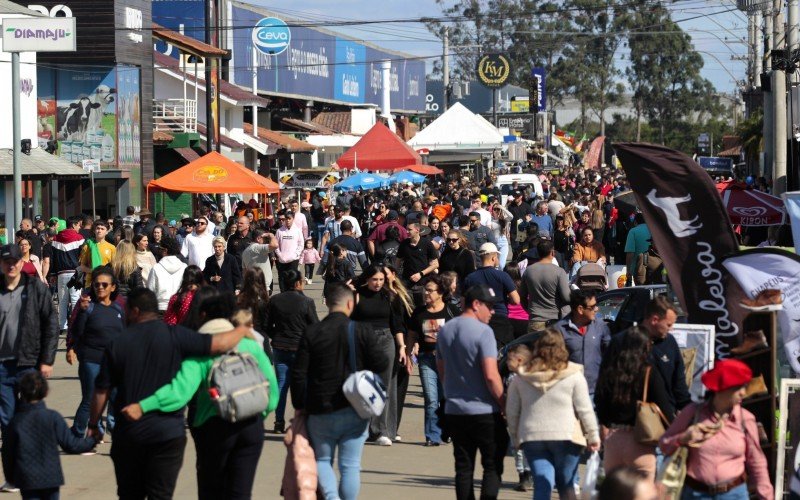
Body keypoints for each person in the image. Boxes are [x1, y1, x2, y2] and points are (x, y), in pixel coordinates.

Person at [87, 288, 251, 499]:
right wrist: (242, 330)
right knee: (161, 495)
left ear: (135, 311)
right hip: (167, 435)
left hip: (129, 434)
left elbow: (102, 390)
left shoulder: (118, 343)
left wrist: (93, 425)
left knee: (129, 495)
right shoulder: (175, 335)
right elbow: (218, 344)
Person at [120, 293, 279, 500]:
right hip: (251, 426)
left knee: (210, 491)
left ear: (203, 315)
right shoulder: (250, 346)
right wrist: (255, 413)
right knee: (240, 493)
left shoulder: (201, 351)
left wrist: (143, 406)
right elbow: (272, 391)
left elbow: (179, 392)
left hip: (214, 427)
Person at [290, 283, 390, 500]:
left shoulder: (312, 332)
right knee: (351, 465)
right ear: (350, 303)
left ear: (326, 302)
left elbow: (298, 374)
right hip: (355, 407)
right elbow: (382, 363)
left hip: (320, 407)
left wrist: (300, 405)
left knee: (323, 461)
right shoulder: (361, 330)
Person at [505, 328, 600, 500]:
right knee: (566, 484)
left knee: (542, 483)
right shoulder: (574, 375)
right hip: (566, 435)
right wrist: (593, 436)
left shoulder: (521, 378)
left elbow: (512, 412)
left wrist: (515, 438)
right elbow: (585, 409)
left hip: (533, 436)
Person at [659, 359, 773, 499]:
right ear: (721, 389)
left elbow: (757, 462)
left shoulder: (746, 419)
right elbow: (664, 445)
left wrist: (766, 496)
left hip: (735, 495)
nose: (744, 393)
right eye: (738, 388)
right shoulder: (692, 413)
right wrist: (683, 438)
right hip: (695, 495)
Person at [436, 284, 508, 500]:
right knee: (492, 465)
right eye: (489, 306)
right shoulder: (484, 332)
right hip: (484, 411)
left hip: (455, 410)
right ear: (476, 305)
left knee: (463, 467)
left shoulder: (445, 329)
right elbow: (491, 375)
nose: (492, 311)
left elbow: (442, 371)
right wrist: (504, 404)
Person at [0, 244, 58, 492]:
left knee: (30, 421)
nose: (11, 265)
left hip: (29, 363)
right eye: (6, 261)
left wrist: (46, 360)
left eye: (14, 261)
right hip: (2, 368)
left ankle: (32, 471)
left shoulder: (35, 289)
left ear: (22, 263)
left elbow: (51, 323)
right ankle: (13, 476)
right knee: (7, 421)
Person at [1, 372, 97, 500]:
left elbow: (7, 453)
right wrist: (92, 441)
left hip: (27, 478)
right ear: (46, 392)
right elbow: (71, 444)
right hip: (51, 477)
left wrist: (10, 478)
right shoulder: (53, 417)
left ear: (21, 393)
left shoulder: (15, 422)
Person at [594, 327, 674, 481]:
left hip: (613, 439)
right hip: (641, 440)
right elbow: (665, 409)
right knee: (642, 492)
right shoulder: (649, 373)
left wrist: (603, 423)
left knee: (615, 491)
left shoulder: (610, 372)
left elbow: (599, 400)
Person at [67, 266, 124, 440]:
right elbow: (77, 331)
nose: (100, 287)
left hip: (113, 361)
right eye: (97, 284)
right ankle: (77, 435)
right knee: (90, 398)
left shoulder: (119, 309)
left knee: (116, 397)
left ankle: (116, 432)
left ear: (113, 287)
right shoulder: (88, 306)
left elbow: (126, 334)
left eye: (104, 285)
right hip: (91, 360)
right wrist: (71, 348)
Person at [351, 265, 406, 446]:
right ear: (367, 279)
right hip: (362, 341)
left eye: (381, 280)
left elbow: (396, 324)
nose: (378, 283)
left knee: (385, 387)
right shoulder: (356, 295)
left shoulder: (390, 295)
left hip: (385, 340)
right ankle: (363, 428)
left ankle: (381, 430)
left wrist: (402, 347)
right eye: (375, 279)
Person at [407, 275, 459, 447]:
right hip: (426, 359)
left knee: (446, 398)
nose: (426, 293)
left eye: (430, 290)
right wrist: (408, 354)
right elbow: (412, 334)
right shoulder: (419, 312)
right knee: (431, 399)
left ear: (441, 293)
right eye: (425, 290)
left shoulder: (451, 311)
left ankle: (447, 430)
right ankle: (432, 436)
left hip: (449, 362)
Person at [266, 270, 319, 434]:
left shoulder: (274, 300)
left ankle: (278, 422)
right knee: (303, 385)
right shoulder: (307, 301)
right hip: (300, 349)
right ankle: (301, 421)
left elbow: (267, 325)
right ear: (298, 283)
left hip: (280, 347)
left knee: (282, 384)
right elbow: (315, 326)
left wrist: (276, 337)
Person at [553, 289, 611, 396]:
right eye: (592, 307)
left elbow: (609, 353)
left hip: (596, 391)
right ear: (580, 309)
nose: (596, 309)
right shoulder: (559, 330)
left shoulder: (600, 326)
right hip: (570, 393)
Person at [463, 243, 520, 348]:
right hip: (500, 320)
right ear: (494, 258)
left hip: (478, 320)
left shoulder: (470, 278)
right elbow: (516, 300)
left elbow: (464, 302)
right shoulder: (502, 276)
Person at [642, 297, 691, 412]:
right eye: (669, 325)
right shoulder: (627, 341)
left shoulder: (670, 342)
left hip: (665, 417)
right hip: (635, 419)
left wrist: (689, 411)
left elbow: (679, 384)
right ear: (654, 320)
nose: (672, 329)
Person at [519, 240, 571, 332]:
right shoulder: (559, 272)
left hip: (535, 320)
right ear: (552, 253)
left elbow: (522, 296)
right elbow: (567, 298)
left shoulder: (529, 271)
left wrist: (530, 311)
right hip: (554, 321)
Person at [51, 216, 85, 333]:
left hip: (61, 273)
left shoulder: (55, 238)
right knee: (75, 299)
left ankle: (62, 326)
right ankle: (75, 325)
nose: (79, 228)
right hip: (75, 272)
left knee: (62, 301)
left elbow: (53, 258)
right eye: (79, 225)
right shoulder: (79, 238)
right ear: (74, 225)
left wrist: (53, 274)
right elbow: (83, 256)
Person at [146, 237, 188, 315]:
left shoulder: (156, 268)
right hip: (178, 307)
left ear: (165, 250)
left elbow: (150, 291)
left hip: (161, 308)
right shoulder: (184, 267)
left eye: (160, 248)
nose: (159, 250)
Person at [77, 220, 116, 289]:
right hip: (91, 283)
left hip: (106, 283)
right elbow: (82, 266)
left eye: (102, 229)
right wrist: (95, 271)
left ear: (107, 232)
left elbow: (114, 268)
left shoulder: (112, 248)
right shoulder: (88, 245)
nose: (99, 231)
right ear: (94, 231)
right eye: (98, 228)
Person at [241, 228, 278, 293]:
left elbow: (244, 272)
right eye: (264, 239)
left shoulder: (245, 251)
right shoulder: (257, 248)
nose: (266, 241)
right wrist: (271, 235)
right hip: (262, 288)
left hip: (252, 287)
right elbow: (275, 245)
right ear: (258, 239)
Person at [275, 211, 304, 293]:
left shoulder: (297, 230)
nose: (287, 221)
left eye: (289, 219)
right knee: (282, 277)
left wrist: (296, 254)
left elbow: (301, 244)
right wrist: (280, 255)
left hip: (293, 259)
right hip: (282, 259)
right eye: (286, 219)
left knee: (293, 277)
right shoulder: (279, 231)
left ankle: (293, 293)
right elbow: (276, 245)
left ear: (293, 219)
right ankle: (283, 293)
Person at [624, 213, 651, 286]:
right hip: (654, 266)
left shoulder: (633, 231)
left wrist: (628, 270)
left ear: (635, 222)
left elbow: (630, 253)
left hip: (638, 268)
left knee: (641, 292)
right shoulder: (653, 229)